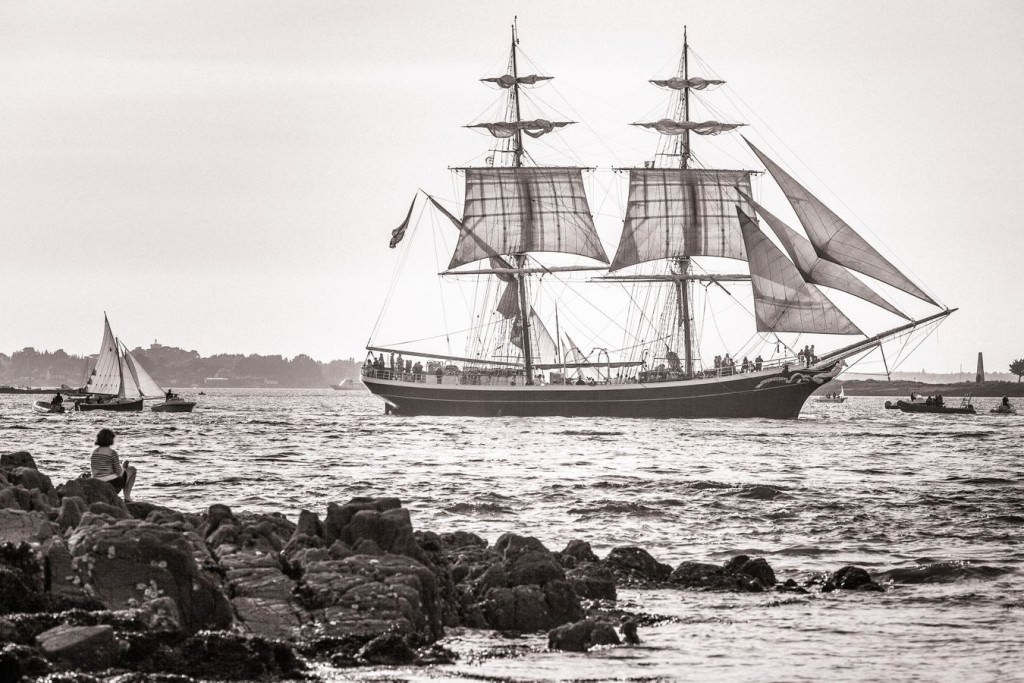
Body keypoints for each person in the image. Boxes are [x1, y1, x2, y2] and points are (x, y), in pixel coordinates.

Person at [90, 428, 137, 503]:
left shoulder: (94, 453)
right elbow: (119, 473)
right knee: (132, 469)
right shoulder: (112, 453)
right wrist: (124, 467)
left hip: (98, 484)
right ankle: (127, 497)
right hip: (112, 484)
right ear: (111, 440)